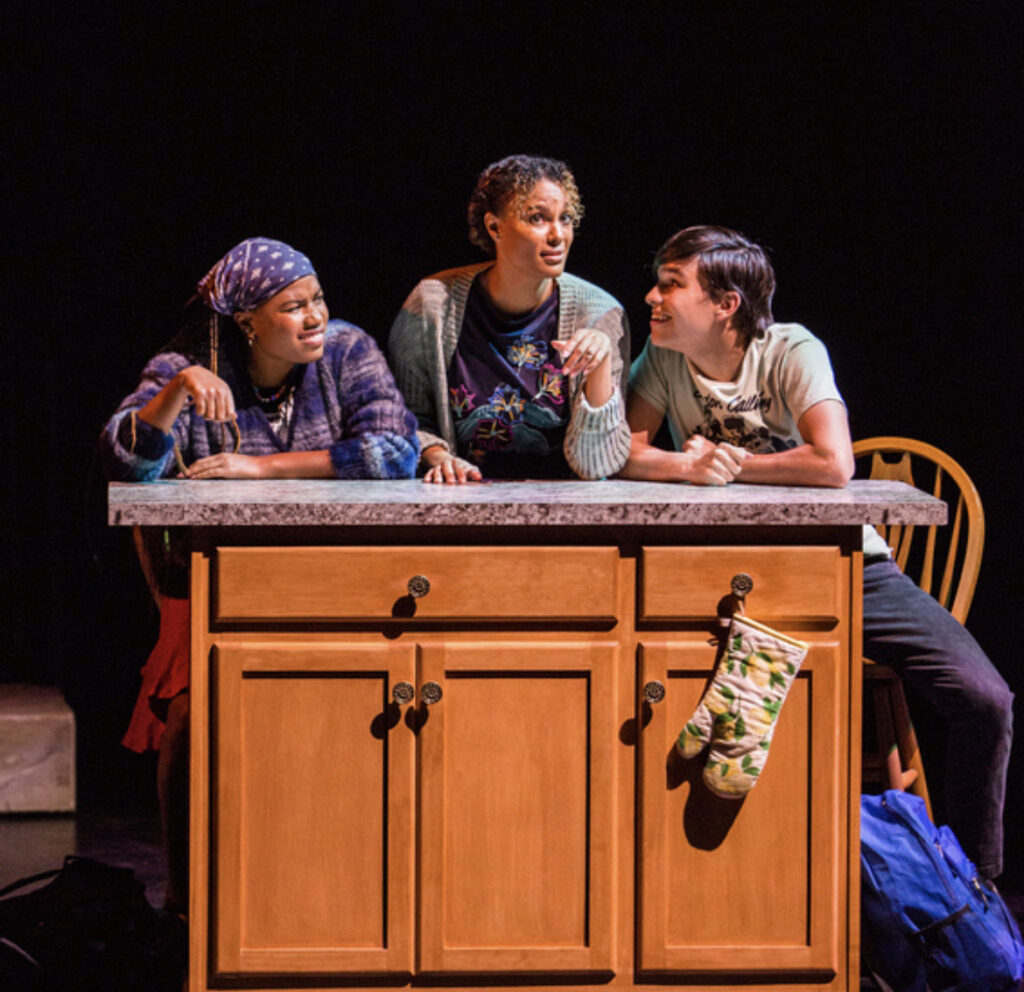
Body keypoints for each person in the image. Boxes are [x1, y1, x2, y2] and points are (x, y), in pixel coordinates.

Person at [621, 224, 1013, 883]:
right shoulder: (662, 358)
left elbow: (835, 463)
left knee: (986, 699)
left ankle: (976, 889)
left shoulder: (789, 349)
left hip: (846, 564)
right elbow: (624, 451)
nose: (652, 298)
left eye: (671, 285)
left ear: (725, 304)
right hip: (728, 577)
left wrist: (731, 463)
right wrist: (687, 468)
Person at [100, 236, 420, 911]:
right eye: (293, 306)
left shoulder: (348, 351)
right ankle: (187, 898)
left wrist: (262, 467)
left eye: (317, 299)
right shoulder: (188, 367)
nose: (315, 317)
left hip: (334, 576)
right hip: (215, 578)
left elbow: (396, 450)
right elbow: (127, 465)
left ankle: (320, 889)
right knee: (193, 703)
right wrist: (175, 397)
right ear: (247, 321)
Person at [388, 154, 631, 483]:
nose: (558, 235)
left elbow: (596, 466)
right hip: (462, 498)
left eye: (565, 219)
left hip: (566, 505)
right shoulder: (433, 304)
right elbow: (406, 420)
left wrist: (599, 366)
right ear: (494, 227)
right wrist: (439, 457)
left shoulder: (600, 314)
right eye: (537, 218)